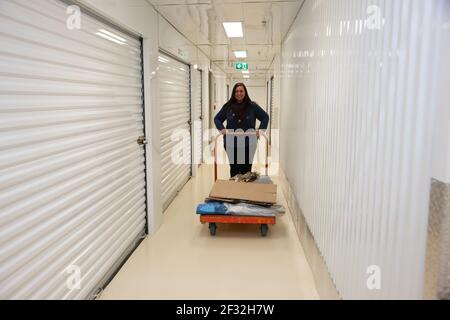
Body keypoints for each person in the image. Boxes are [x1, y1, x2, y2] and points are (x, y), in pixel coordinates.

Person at [214, 83, 269, 178]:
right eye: (236, 91)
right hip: (231, 143)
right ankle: (234, 190)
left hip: (248, 143)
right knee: (234, 168)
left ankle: (245, 191)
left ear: (245, 92)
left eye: (241, 91)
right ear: (233, 93)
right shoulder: (228, 106)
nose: (239, 93)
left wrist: (260, 131)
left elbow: (265, 117)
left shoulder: (253, 106)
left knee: (246, 169)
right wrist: (222, 129)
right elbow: (217, 119)